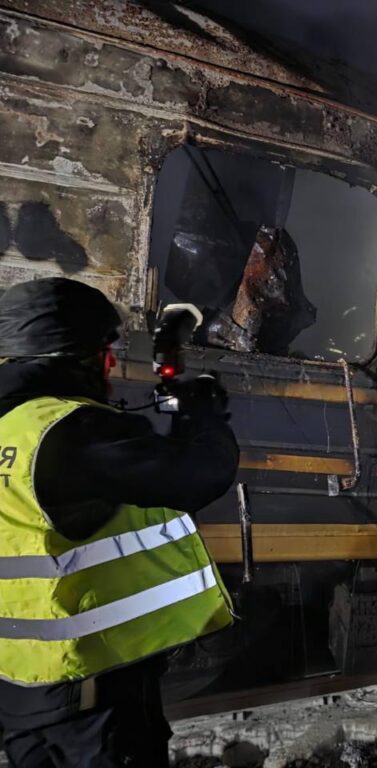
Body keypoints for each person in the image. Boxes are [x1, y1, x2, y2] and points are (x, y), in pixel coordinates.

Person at [0, 277, 239, 767]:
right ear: (73, 356)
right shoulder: (69, 430)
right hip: (90, 697)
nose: (110, 364)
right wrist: (204, 413)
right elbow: (200, 474)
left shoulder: (11, 428)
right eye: (103, 352)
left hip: (20, 692)